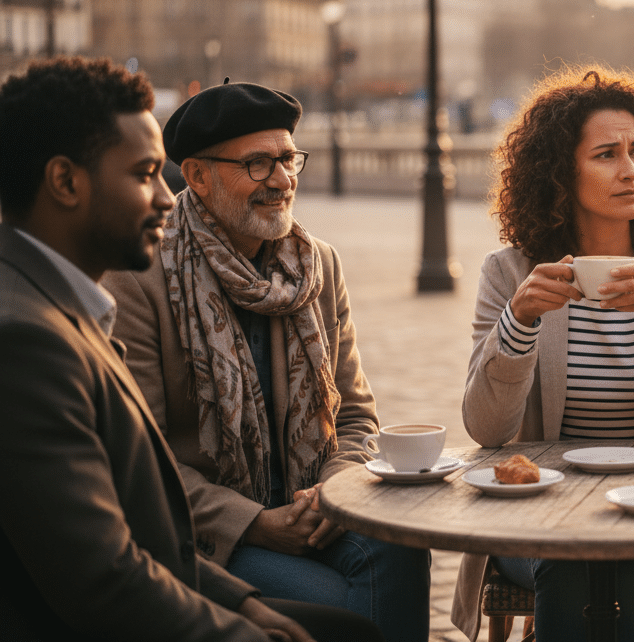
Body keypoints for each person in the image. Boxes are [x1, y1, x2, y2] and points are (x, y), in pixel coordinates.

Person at [0, 56, 380, 641]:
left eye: (287, 159)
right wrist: (257, 624)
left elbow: (354, 413)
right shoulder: (29, 336)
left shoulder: (61, 303)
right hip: (198, 552)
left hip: (243, 540)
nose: (164, 196)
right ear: (66, 182)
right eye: (146, 173)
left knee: (389, 562)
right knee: (345, 621)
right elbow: (104, 574)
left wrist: (257, 602)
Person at [102, 81, 429, 642]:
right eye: (257, 163)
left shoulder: (316, 264)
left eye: (287, 158)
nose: (282, 180)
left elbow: (354, 415)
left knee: (402, 548)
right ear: (198, 177)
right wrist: (256, 523)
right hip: (206, 532)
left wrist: (336, 487)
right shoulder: (141, 277)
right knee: (343, 607)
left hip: (314, 507)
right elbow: (142, 460)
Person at [452, 67, 634, 642]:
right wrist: (520, 322)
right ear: (562, 173)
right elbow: (485, 429)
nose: (630, 170)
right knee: (567, 562)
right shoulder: (510, 273)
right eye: (606, 154)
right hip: (538, 513)